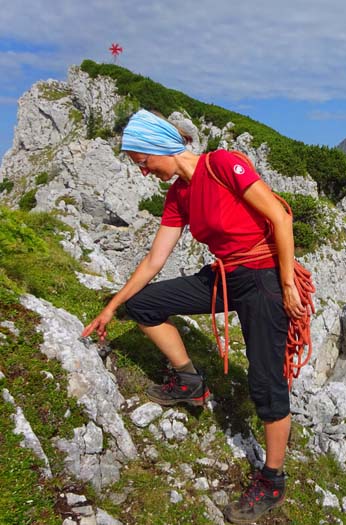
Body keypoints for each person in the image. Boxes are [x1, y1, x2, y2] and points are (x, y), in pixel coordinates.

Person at [82, 109, 305, 523]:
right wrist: (111, 307)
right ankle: (189, 381)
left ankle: (272, 479)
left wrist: (288, 285)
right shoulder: (177, 196)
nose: (144, 172)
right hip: (223, 276)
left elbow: (280, 216)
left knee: (265, 382)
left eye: (143, 162)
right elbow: (153, 260)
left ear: (156, 149)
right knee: (144, 305)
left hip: (262, 279)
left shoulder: (221, 163)